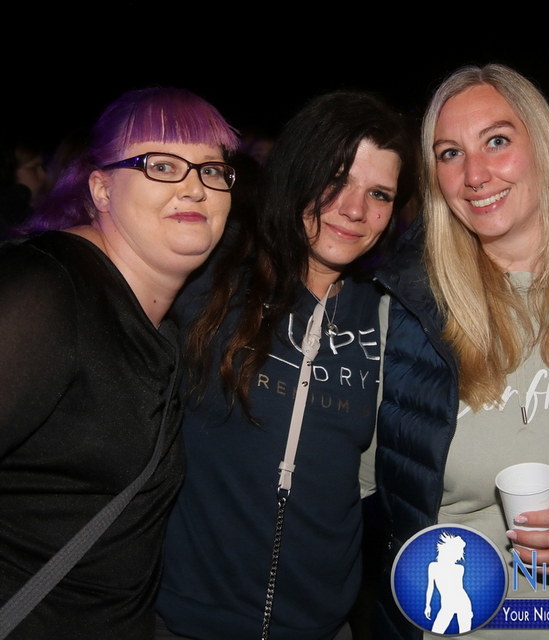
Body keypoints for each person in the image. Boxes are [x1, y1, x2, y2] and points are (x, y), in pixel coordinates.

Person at [373, 63, 549, 639]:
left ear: (543, 147)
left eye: (496, 141)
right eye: (450, 153)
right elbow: (345, 485)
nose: (474, 174)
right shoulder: (406, 315)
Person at [155, 90, 418, 640]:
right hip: (184, 620)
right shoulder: (212, 276)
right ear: (297, 172)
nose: (355, 210)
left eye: (379, 194)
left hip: (323, 626)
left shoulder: (388, 314)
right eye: (336, 180)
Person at [0, 86, 239, 640]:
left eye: (211, 170)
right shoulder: (45, 290)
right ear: (102, 189)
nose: (194, 187)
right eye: (162, 165)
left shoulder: (159, 324)